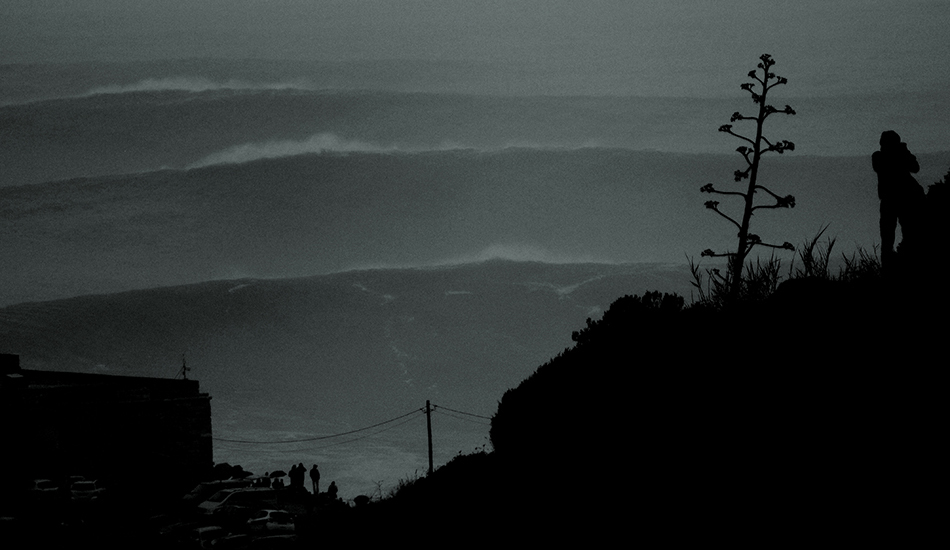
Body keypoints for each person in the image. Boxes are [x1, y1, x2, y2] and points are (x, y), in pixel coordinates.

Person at [872, 130, 925, 264]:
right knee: (889, 238)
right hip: (894, 200)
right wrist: (903, 152)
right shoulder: (879, 156)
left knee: (907, 235)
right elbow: (883, 166)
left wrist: (905, 152)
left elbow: (915, 168)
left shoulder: (889, 155)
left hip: (904, 200)